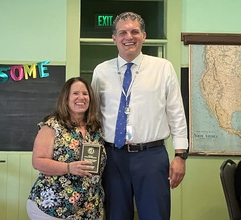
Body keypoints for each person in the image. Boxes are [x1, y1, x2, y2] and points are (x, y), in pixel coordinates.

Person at [91, 12, 188, 220]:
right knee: (116, 216)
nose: (129, 36)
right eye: (123, 32)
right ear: (114, 38)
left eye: (135, 31)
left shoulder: (163, 68)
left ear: (144, 35)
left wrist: (180, 155)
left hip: (151, 156)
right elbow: (94, 115)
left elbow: (176, 113)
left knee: (155, 215)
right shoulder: (101, 71)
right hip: (113, 156)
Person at [27, 77, 106, 220]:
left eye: (85, 93)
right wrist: (69, 167)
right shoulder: (52, 125)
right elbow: (38, 162)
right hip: (53, 208)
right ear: (66, 98)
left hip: (89, 210)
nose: (81, 97)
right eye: (75, 93)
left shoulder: (96, 128)